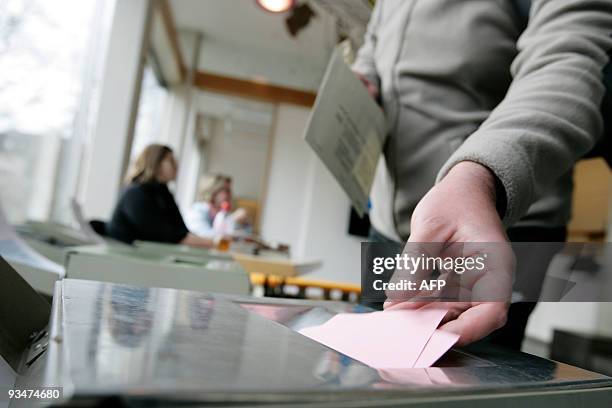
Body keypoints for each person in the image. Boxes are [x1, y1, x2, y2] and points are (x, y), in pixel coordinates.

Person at [352, 1, 612, 348]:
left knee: (466, 376)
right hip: (390, 226)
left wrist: (477, 177)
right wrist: (364, 76)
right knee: (376, 365)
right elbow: (374, 44)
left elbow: (566, 61)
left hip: (497, 222)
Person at [106, 144, 214, 248]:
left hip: (150, 255)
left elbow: (181, 232)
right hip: (124, 257)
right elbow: (168, 235)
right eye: (171, 160)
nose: (176, 165)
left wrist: (212, 243)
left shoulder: (163, 193)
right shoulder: (135, 193)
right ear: (155, 163)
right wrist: (215, 244)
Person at [186, 174, 252, 237]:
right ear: (213, 191)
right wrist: (232, 220)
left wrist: (245, 224)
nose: (230, 194)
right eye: (227, 190)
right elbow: (204, 235)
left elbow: (246, 233)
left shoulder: (223, 213)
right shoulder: (197, 211)